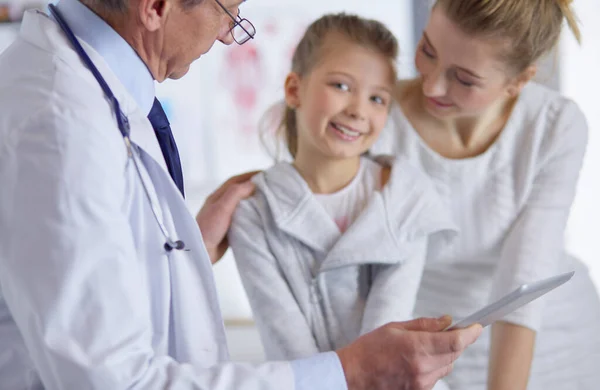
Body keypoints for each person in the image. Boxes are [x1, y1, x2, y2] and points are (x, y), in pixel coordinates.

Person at [0, 0, 481, 389]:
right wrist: (351, 372)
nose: (229, 34)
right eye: (227, 12)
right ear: (156, 6)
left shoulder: (100, 92)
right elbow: (112, 378)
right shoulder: (60, 124)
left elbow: (89, 284)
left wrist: (188, 254)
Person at [370, 0, 600, 389]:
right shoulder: (375, 118)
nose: (432, 84)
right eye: (428, 50)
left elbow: (525, 274)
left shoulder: (555, 125)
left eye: (464, 79)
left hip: (552, 341)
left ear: (519, 81)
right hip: (431, 343)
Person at [227, 14, 456, 390]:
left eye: (377, 98)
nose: (358, 110)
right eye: (340, 85)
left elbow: (388, 339)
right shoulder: (254, 212)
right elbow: (288, 347)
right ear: (294, 89)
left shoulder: (406, 199)